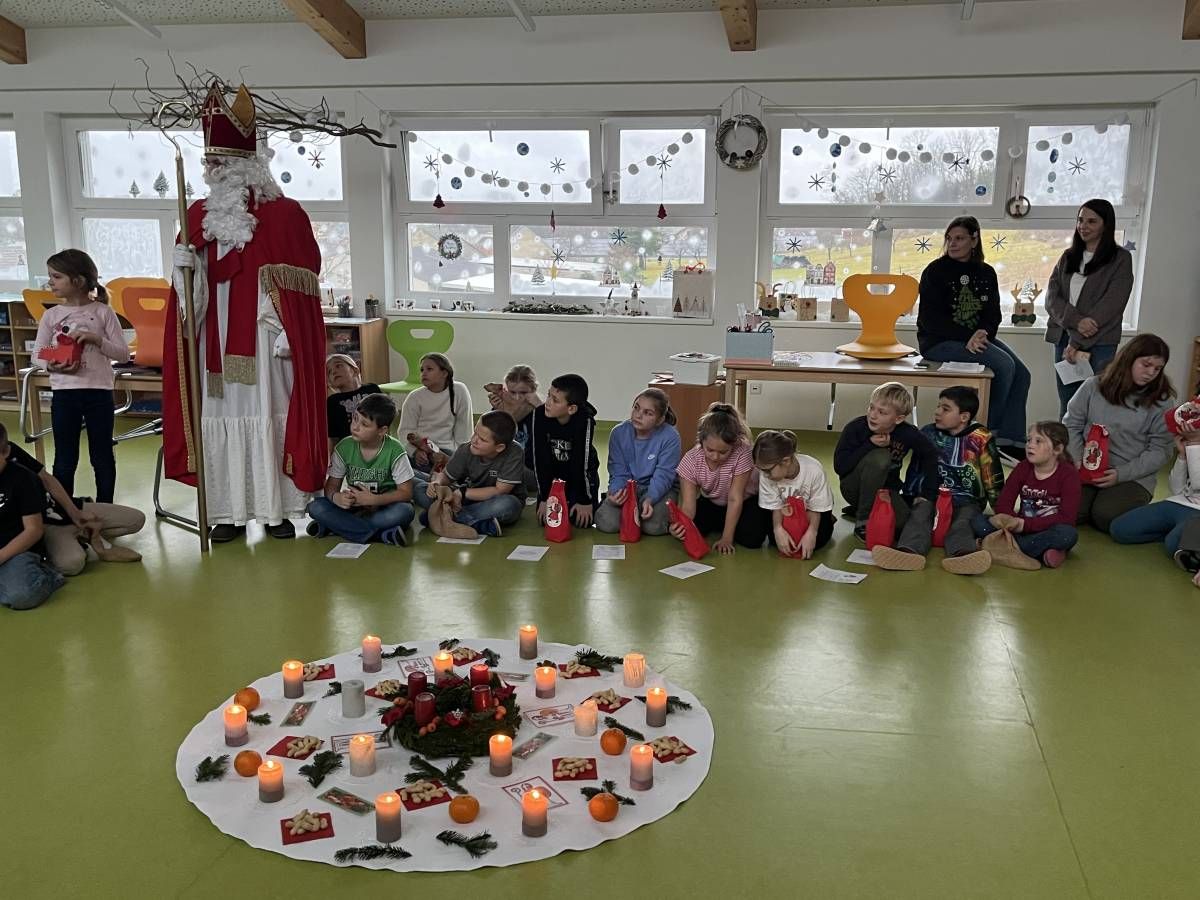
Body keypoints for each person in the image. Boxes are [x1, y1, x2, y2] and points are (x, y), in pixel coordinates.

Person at [164, 83, 328, 543]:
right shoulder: (197, 215)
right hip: (213, 342)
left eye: (221, 162)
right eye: (210, 163)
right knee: (218, 416)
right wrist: (184, 266)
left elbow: (304, 285)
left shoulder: (286, 216)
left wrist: (289, 332)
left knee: (270, 415)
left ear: (247, 164)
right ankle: (229, 513)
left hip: (266, 339)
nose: (213, 169)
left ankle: (276, 512)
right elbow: (187, 296)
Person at [917, 215, 1030, 451]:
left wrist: (983, 333)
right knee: (1003, 365)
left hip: (976, 339)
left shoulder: (986, 272)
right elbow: (930, 320)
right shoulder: (935, 271)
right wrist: (967, 337)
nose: (952, 243)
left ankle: (1011, 442)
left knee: (1022, 373)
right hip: (939, 341)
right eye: (949, 238)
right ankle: (987, 434)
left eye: (959, 238)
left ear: (974, 240)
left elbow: (993, 314)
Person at [32, 249, 130, 503]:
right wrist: (54, 364)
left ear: (78, 281)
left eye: (56, 277)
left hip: (99, 394)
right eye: (50, 276)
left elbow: (122, 353)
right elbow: (38, 353)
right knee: (65, 458)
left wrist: (97, 340)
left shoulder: (103, 312)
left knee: (102, 456)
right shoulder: (51, 315)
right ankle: (65, 510)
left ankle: (106, 507)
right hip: (65, 395)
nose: (50, 282)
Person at [873, 386, 1002, 575]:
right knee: (919, 515)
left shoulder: (981, 438)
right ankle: (908, 552)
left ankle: (962, 554)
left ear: (964, 417)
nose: (937, 412)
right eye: (938, 406)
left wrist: (1000, 510)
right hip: (929, 494)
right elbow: (916, 468)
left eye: (945, 409)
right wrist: (911, 494)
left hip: (966, 499)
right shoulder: (928, 433)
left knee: (963, 521)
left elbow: (992, 477)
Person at [1063, 333, 1175, 533]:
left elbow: (1161, 450)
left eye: (1158, 368)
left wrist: (1120, 474)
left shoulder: (1163, 401)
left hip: (1131, 475)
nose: (1151, 373)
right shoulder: (1092, 386)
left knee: (1106, 516)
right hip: (1087, 466)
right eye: (1146, 365)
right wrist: (1078, 460)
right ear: (1129, 359)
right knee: (1069, 510)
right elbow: (1071, 424)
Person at [3, 432, 143, 574]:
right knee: (72, 564)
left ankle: (84, 534)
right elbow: (31, 528)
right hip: (41, 524)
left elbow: (46, 478)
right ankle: (75, 540)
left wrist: (74, 513)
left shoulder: (8, 449)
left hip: (57, 508)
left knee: (136, 520)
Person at [1044, 199, 1135, 415]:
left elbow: (1112, 303)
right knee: (1068, 405)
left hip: (1100, 341)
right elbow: (1051, 298)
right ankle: (1066, 439)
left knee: (1095, 405)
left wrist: (1077, 341)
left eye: (1091, 221)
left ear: (1106, 225)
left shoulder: (1120, 259)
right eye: (1080, 220)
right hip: (1064, 337)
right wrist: (1076, 322)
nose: (1083, 226)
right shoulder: (1068, 256)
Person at [834, 381, 939, 541]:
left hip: (886, 491)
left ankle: (861, 510)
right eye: (871, 407)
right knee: (881, 457)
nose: (873, 415)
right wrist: (869, 445)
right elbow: (840, 467)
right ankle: (863, 521)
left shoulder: (908, 433)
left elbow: (930, 455)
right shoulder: (855, 428)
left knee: (902, 525)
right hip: (853, 489)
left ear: (898, 419)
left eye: (882, 412)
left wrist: (927, 494)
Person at [306, 394, 415, 546]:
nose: (355, 427)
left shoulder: (395, 450)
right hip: (354, 507)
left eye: (364, 424)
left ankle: (338, 526)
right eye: (355, 418)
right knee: (315, 507)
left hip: (384, 507)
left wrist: (375, 500)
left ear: (382, 430)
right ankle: (382, 535)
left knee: (404, 512)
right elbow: (332, 486)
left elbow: (406, 492)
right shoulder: (344, 447)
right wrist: (337, 497)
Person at [972, 421, 1081, 569]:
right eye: (1029, 440)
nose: (1030, 445)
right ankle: (1036, 551)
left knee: (1068, 534)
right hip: (1018, 530)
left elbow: (1066, 518)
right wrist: (1010, 521)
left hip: (1046, 529)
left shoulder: (1069, 475)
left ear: (1057, 449)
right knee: (978, 521)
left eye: (1038, 441)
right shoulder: (1023, 468)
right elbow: (1003, 503)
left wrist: (1025, 525)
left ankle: (1000, 546)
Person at [673, 403, 767, 553]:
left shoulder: (743, 452)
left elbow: (735, 498)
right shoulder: (690, 460)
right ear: (701, 441)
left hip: (744, 501)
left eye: (723, 452)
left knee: (752, 539)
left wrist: (727, 538)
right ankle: (724, 524)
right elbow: (688, 506)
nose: (715, 457)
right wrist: (681, 525)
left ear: (734, 444)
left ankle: (729, 527)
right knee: (689, 530)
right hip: (713, 502)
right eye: (710, 450)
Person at [415, 410, 526, 537]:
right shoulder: (466, 449)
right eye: (475, 433)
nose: (474, 440)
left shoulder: (514, 452)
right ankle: (472, 523)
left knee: (508, 505)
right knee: (420, 489)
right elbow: (446, 476)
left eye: (482, 439)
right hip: (465, 500)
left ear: (499, 447)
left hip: (494, 501)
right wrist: (436, 483)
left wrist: (462, 493)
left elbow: (500, 490)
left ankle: (440, 517)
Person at [594, 388, 682, 536]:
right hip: (629, 487)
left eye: (648, 413)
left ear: (660, 419)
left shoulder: (670, 436)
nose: (638, 415)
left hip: (660, 490)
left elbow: (664, 475)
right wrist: (615, 493)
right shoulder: (618, 433)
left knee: (652, 526)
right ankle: (630, 513)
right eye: (636, 408)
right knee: (607, 522)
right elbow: (618, 471)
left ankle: (645, 514)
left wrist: (650, 499)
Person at [1109, 419, 1200, 560]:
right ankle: (1181, 534)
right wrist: (1182, 456)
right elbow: (1176, 489)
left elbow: (1198, 483)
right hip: (1180, 503)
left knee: (1174, 545)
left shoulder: (1196, 445)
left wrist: (1194, 443)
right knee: (1120, 529)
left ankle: (1183, 536)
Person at [0, 423, 66, 611]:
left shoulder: (23, 478)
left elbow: (34, 530)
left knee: (23, 596)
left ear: (6, 453)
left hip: (15, 550)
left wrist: (1, 556)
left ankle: (48, 576)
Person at [530, 373, 600, 527]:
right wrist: (544, 497)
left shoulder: (584, 419)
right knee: (550, 521)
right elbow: (540, 458)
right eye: (548, 395)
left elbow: (581, 461)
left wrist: (584, 500)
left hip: (581, 476)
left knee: (581, 521)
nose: (548, 402)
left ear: (571, 408)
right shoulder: (539, 414)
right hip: (555, 475)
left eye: (555, 400)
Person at [752, 430, 835, 558]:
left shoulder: (814, 469)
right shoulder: (766, 475)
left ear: (785, 461)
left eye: (768, 470)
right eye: (761, 470)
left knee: (818, 542)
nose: (764, 474)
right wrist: (778, 529)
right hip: (784, 514)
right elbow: (776, 507)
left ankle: (829, 520)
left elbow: (815, 509)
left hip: (811, 512)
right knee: (776, 541)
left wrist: (812, 532)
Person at [397, 352, 473, 473]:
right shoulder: (414, 397)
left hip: (447, 450)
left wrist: (461, 458)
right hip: (421, 451)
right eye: (422, 370)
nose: (424, 373)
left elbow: (464, 431)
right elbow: (405, 432)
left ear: (444, 373)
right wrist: (415, 452)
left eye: (429, 369)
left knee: (458, 470)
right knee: (408, 468)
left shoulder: (459, 390)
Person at [487, 364, 542, 493]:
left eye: (523, 393)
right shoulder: (500, 408)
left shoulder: (541, 412)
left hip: (531, 473)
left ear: (533, 390)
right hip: (503, 469)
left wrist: (540, 407)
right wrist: (499, 412)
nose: (517, 398)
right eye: (512, 392)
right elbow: (489, 441)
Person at [326, 354, 380, 456]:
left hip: (375, 446)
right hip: (348, 452)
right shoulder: (332, 401)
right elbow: (333, 436)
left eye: (338, 366)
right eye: (329, 372)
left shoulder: (372, 389)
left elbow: (384, 417)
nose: (334, 372)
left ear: (355, 370)